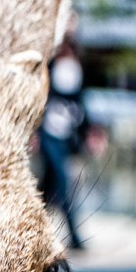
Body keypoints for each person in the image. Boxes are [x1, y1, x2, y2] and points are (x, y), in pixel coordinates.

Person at [38, 37, 88, 250]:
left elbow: (82, 105)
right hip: (50, 134)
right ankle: (73, 235)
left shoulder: (75, 70)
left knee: (49, 189)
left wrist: (86, 133)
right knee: (62, 182)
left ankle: (38, 231)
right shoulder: (52, 70)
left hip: (66, 135)